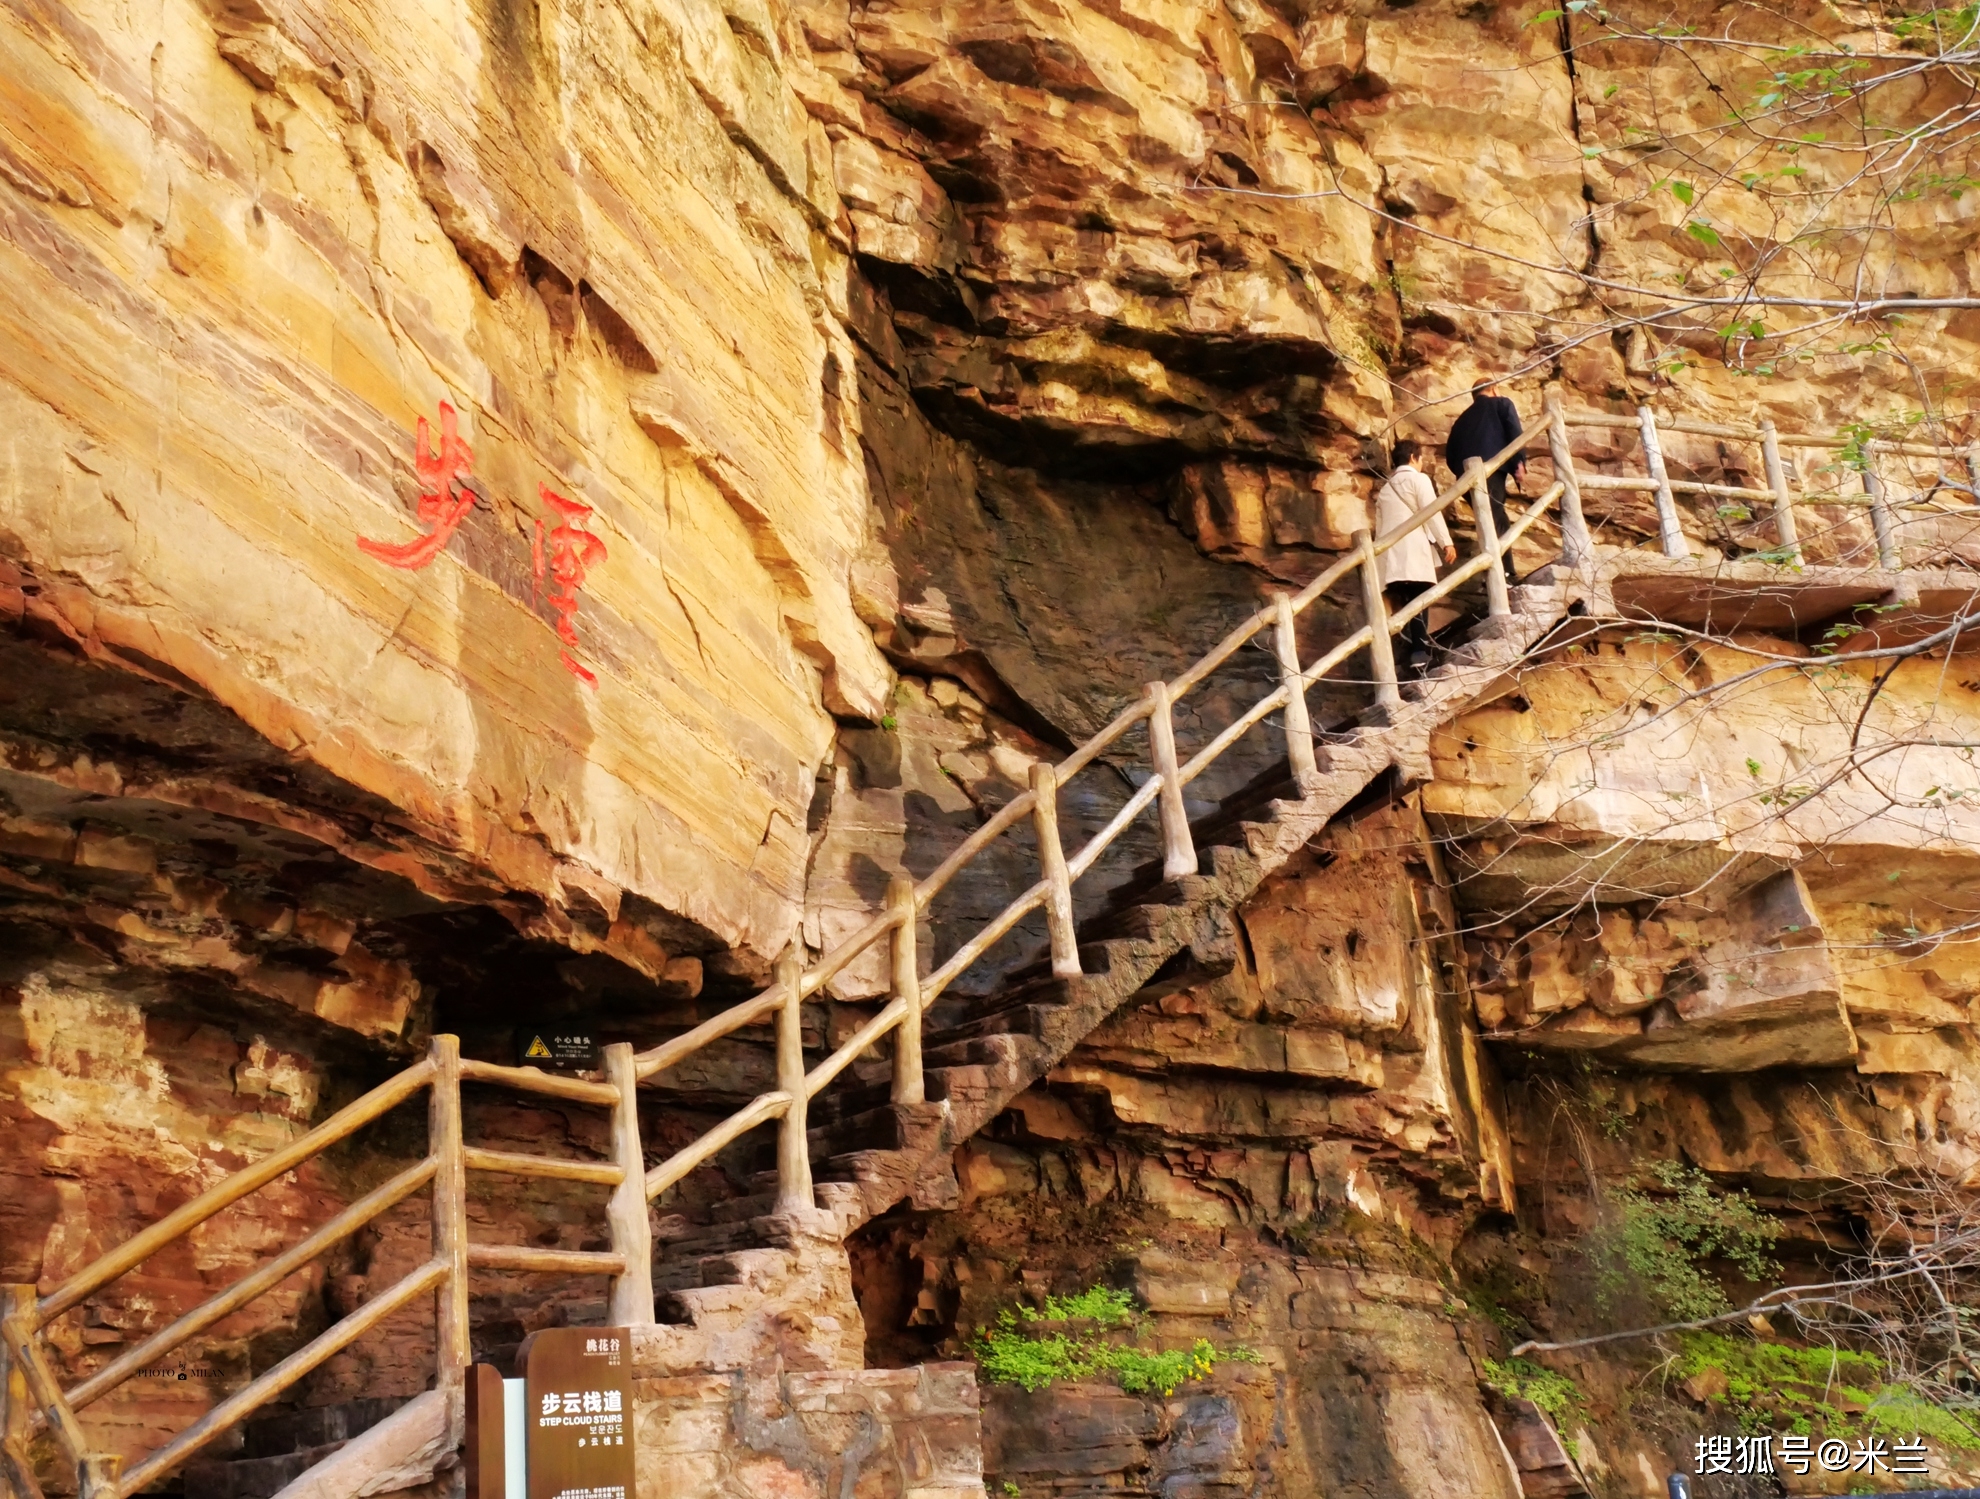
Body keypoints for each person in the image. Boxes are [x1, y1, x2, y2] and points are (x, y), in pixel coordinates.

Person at [1372, 439, 1455, 676]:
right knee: (1420, 598)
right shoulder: (1419, 480)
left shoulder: (1386, 489)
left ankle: (1413, 652)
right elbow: (1432, 512)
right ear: (1412, 458)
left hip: (1392, 558)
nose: (1421, 464)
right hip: (1414, 550)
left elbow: (1379, 530)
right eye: (1420, 459)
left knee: (1408, 601)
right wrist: (1445, 542)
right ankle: (1419, 652)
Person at [1443, 377, 1526, 582]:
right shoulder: (1502, 404)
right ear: (1494, 389)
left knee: (1488, 520)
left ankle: (1496, 572)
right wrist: (1519, 462)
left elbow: (1450, 454)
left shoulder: (1462, 419)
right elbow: (1515, 433)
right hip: (1491, 470)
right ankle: (1503, 574)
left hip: (1467, 478)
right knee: (1497, 519)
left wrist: (1461, 474)